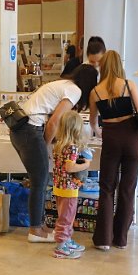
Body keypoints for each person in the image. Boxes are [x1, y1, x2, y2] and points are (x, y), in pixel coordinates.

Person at [10, 43, 99, 243]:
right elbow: (54, 122)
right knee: (40, 180)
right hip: (30, 129)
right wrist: (45, 144)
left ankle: (39, 226)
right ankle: (35, 230)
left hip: (20, 128)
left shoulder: (62, 84)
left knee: (39, 180)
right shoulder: (74, 90)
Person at [88, 50, 138, 250]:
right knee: (127, 188)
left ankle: (103, 239)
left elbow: (93, 122)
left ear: (103, 66)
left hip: (111, 139)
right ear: (119, 65)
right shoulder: (129, 85)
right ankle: (120, 239)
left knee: (106, 188)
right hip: (133, 139)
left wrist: (100, 132)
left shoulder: (95, 92)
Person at [50, 111, 90, 259]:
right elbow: (70, 167)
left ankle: (66, 240)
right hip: (68, 188)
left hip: (59, 186)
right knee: (67, 217)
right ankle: (61, 246)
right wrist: (86, 165)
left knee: (64, 215)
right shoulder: (72, 147)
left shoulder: (58, 145)